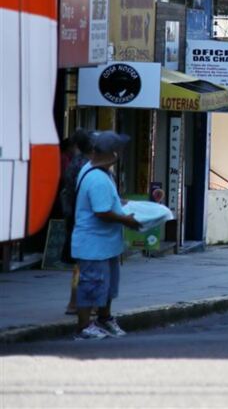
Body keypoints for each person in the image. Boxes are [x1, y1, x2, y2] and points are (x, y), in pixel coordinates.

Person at [71, 132, 142, 340]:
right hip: (93, 245)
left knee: (108, 286)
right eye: (118, 151)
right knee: (91, 285)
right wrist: (127, 220)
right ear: (112, 154)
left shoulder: (99, 172)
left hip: (105, 244)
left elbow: (107, 203)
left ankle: (104, 319)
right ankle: (84, 327)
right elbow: (101, 212)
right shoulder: (97, 178)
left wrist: (121, 203)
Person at [60, 129, 93, 315]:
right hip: (83, 219)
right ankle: (77, 302)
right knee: (84, 264)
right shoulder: (86, 165)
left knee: (79, 264)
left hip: (74, 216)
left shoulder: (74, 164)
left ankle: (74, 301)